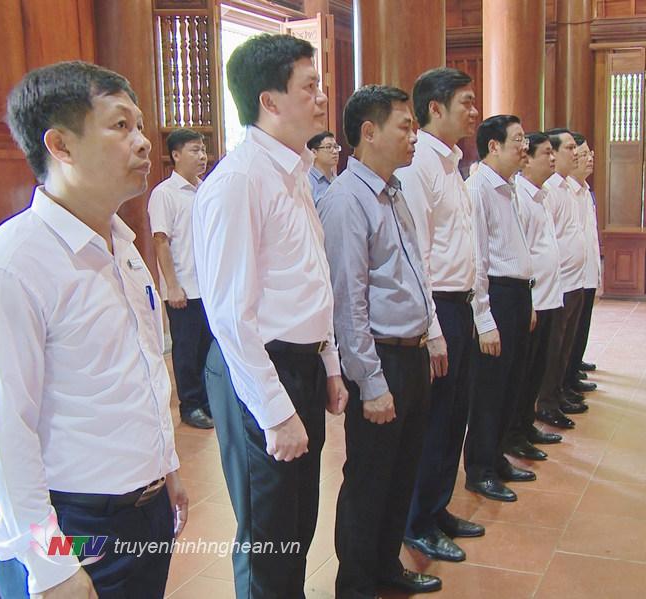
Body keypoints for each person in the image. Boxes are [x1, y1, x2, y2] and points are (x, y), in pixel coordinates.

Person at [0, 60, 187, 599]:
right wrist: (52, 565)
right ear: (61, 145)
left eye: (141, 125)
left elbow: (141, 371)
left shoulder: (122, 244)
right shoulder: (13, 263)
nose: (144, 143)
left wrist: (165, 470)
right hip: (73, 525)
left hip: (143, 512)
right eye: (121, 126)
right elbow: (6, 435)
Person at [192, 34, 348, 599]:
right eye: (310, 86)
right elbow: (231, 316)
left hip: (300, 365)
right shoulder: (238, 182)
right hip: (257, 371)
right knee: (268, 534)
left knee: (298, 521)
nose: (323, 98)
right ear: (270, 100)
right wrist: (276, 412)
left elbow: (312, 281)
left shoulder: (294, 172)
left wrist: (329, 364)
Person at [322, 85, 442, 599]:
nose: (413, 136)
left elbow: (414, 271)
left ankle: (387, 566)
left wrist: (432, 332)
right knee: (370, 480)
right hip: (381, 360)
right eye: (405, 125)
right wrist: (371, 384)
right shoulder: (346, 201)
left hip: (411, 353)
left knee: (401, 473)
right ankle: (356, 583)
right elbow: (348, 303)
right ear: (368, 132)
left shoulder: (392, 192)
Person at [397, 67, 485, 564]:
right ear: (436, 108)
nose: (474, 112)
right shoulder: (419, 167)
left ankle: (437, 506)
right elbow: (418, 256)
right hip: (439, 309)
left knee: (456, 416)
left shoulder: (452, 164)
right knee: (434, 422)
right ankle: (417, 521)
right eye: (466, 103)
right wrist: (432, 329)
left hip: (462, 303)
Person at [464, 115, 537, 503]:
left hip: (518, 294)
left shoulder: (509, 188)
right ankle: (480, 468)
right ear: (493, 146)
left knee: (512, 383)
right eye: (518, 140)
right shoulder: (477, 189)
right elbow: (478, 257)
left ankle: (497, 457)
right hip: (497, 297)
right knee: (489, 389)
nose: (524, 147)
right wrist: (484, 316)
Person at [503, 132, 566, 462]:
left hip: (548, 297)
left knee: (537, 370)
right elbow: (520, 252)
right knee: (522, 374)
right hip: (532, 300)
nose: (552, 159)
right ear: (527, 159)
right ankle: (512, 434)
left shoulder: (541, 196)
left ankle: (526, 426)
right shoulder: (520, 198)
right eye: (546, 153)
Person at [148, 127, 214, 429]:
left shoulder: (206, 189)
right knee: (186, 350)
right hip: (183, 288)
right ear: (175, 155)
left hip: (209, 287)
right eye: (194, 150)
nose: (202, 156)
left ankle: (208, 400)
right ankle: (190, 405)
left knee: (207, 348)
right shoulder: (164, 194)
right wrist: (172, 285)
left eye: (203, 150)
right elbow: (161, 241)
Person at [536, 128, 588, 430]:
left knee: (565, 345)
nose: (576, 153)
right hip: (558, 283)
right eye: (569, 148)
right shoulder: (550, 190)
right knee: (552, 349)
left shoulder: (568, 187)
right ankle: (546, 402)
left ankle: (559, 393)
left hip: (574, 279)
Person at [564, 132, 602, 394]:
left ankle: (574, 365)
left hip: (586, 272)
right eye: (583, 154)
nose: (589, 159)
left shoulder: (585, 191)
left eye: (590, 154)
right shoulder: (564, 191)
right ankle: (566, 375)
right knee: (568, 332)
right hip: (570, 275)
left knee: (582, 324)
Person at [306, 130, 340, 220]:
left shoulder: (339, 181)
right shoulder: (307, 182)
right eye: (329, 147)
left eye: (336, 147)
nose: (335, 151)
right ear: (314, 152)